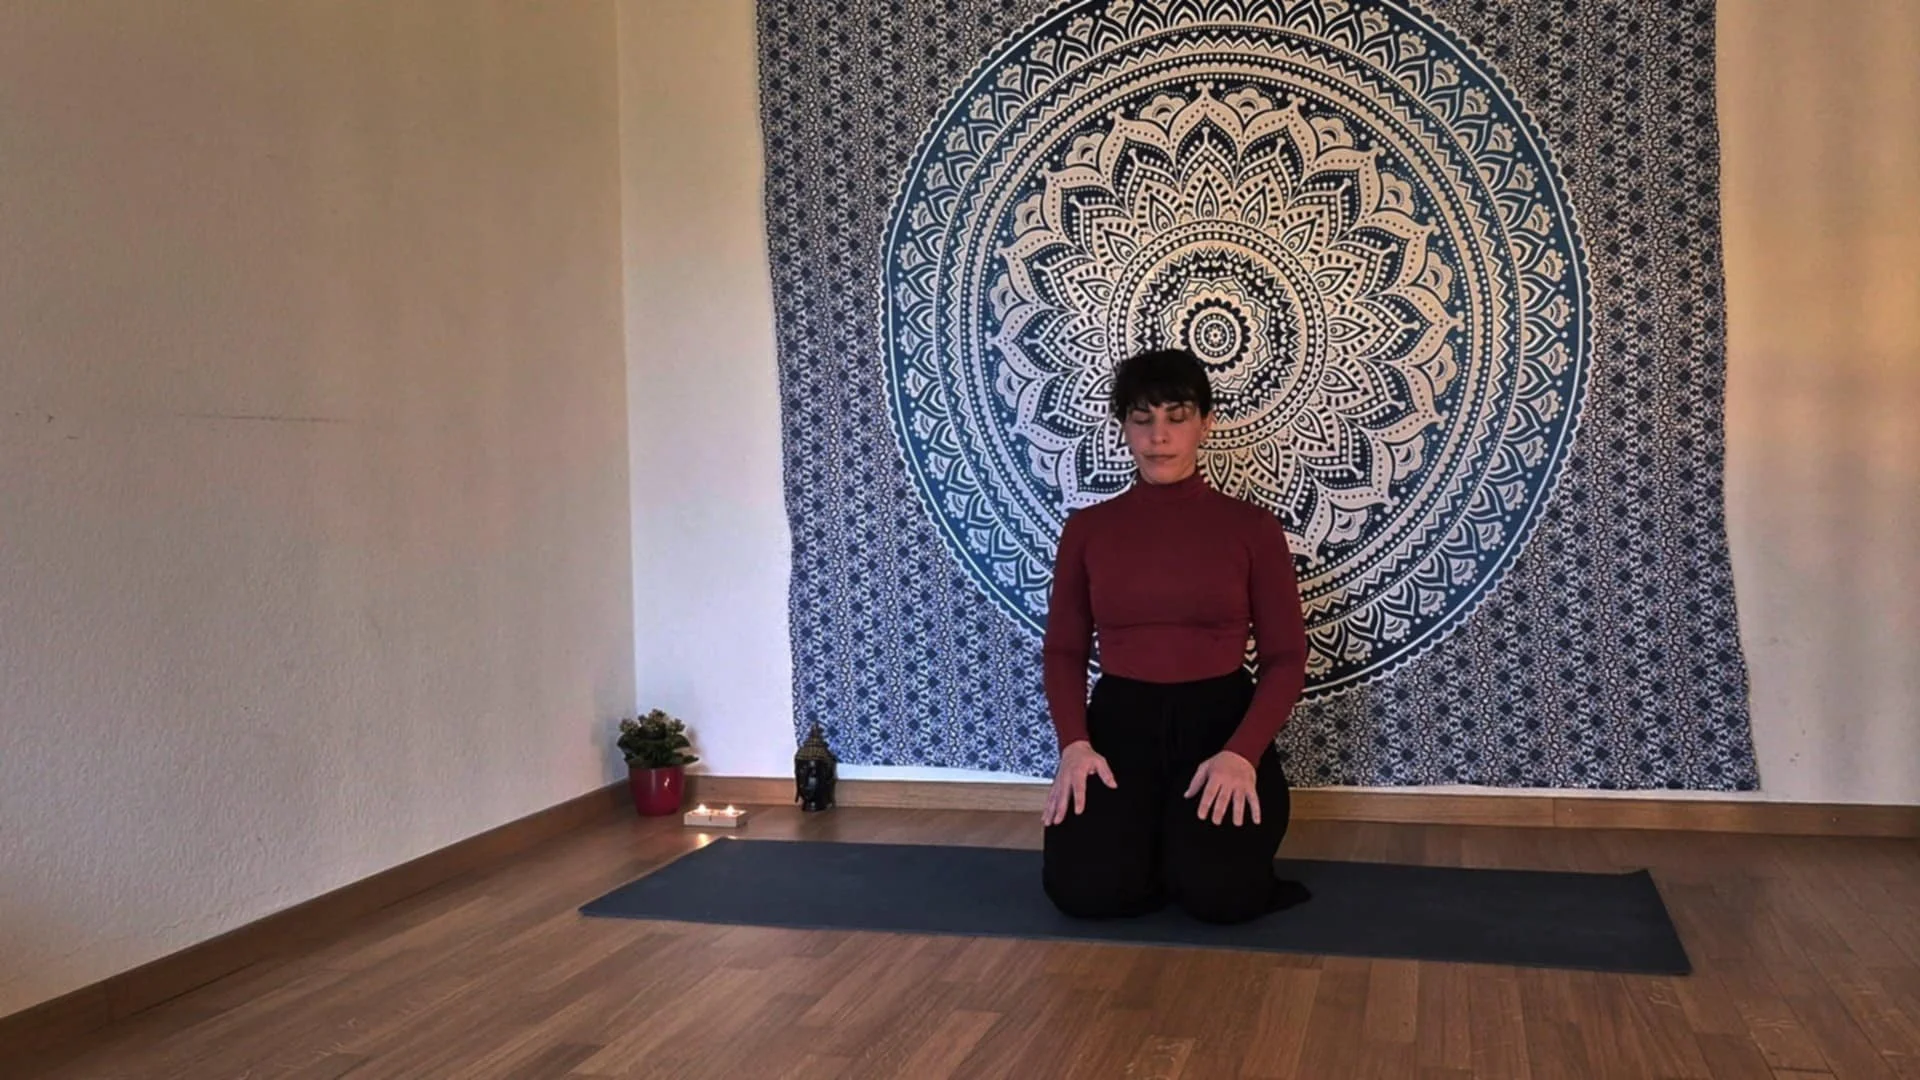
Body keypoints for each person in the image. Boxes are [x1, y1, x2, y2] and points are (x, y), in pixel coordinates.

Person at [1041, 348, 1312, 925]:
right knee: (1084, 894)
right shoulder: (1087, 530)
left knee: (1223, 898)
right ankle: (1153, 843)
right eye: (1142, 418)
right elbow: (1064, 650)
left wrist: (1243, 753)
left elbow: (1287, 658)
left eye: (1177, 415)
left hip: (1219, 726)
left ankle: (1173, 847)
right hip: (1118, 726)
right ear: (1123, 427)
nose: (1158, 435)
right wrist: (1074, 745)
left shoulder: (1252, 529)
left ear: (1205, 423)